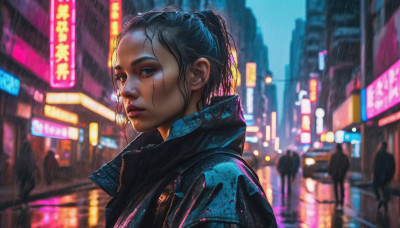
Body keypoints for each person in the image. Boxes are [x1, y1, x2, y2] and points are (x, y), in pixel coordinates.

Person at [89, 8, 277, 228]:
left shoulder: (218, 183)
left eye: (147, 70)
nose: (125, 90)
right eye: (121, 76)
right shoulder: (160, 169)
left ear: (196, 75)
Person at [14, 134, 37, 208]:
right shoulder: (27, 149)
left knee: (24, 186)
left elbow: (27, 160)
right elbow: (27, 160)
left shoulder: (24, 150)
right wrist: (31, 167)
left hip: (24, 171)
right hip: (25, 171)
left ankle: (23, 199)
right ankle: (23, 199)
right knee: (30, 185)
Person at [372, 141, 395, 213]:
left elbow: (376, 166)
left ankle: (380, 199)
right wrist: (390, 176)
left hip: (379, 176)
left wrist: (374, 174)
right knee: (385, 190)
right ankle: (385, 205)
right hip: (386, 176)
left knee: (375, 188)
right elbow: (393, 167)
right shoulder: (390, 156)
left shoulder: (378, 154)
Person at [328, 143, 350, 210]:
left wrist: (330, 173)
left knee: (336, 187)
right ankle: (342, 198)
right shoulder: (344, 156)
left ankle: (337, 199)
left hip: (335, 174)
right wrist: (344, 171)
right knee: (341, 186)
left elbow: (330, 165)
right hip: (341, 174)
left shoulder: (334, 156)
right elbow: (347, 165)